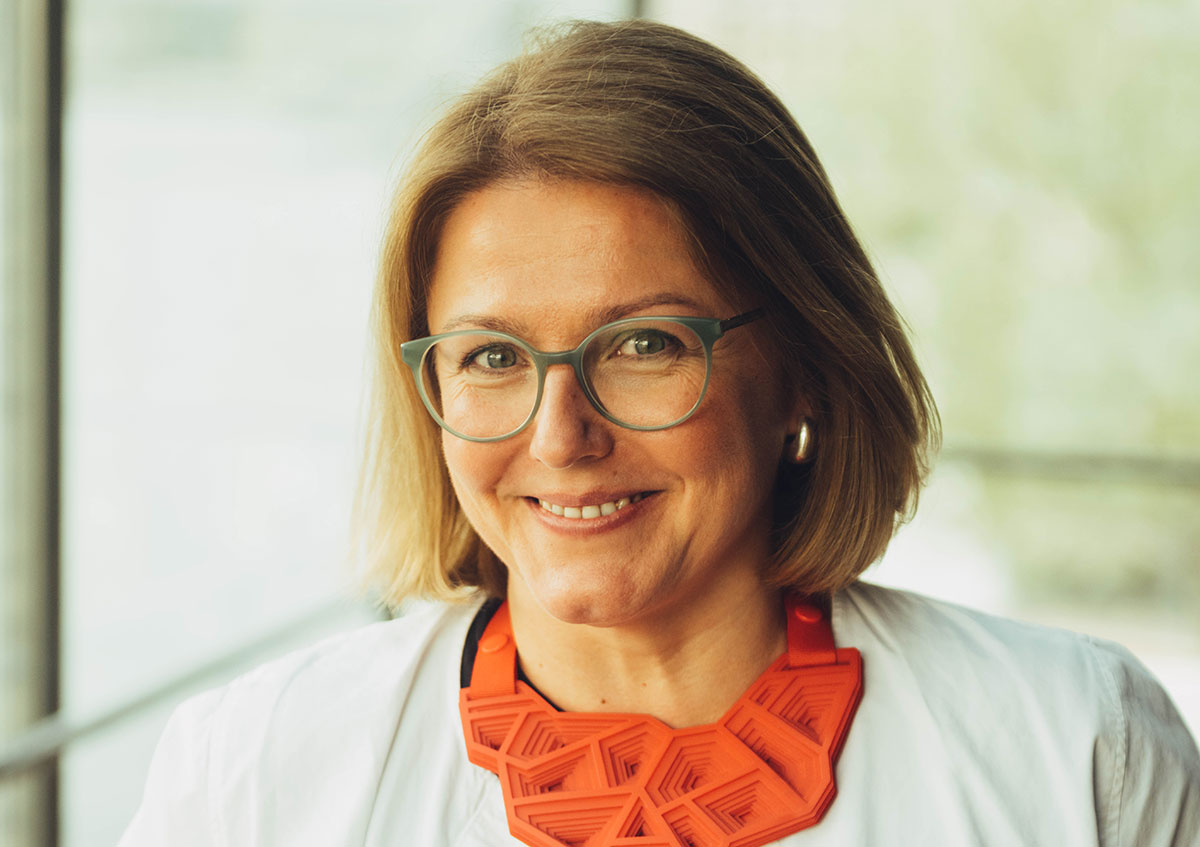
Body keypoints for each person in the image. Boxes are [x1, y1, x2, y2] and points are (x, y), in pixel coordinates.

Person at [119, 18, 1199, 847]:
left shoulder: (1079, 749)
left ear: (804, 366)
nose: (560, 436)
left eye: (644, 344)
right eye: (491, 357)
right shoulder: (252, 774)